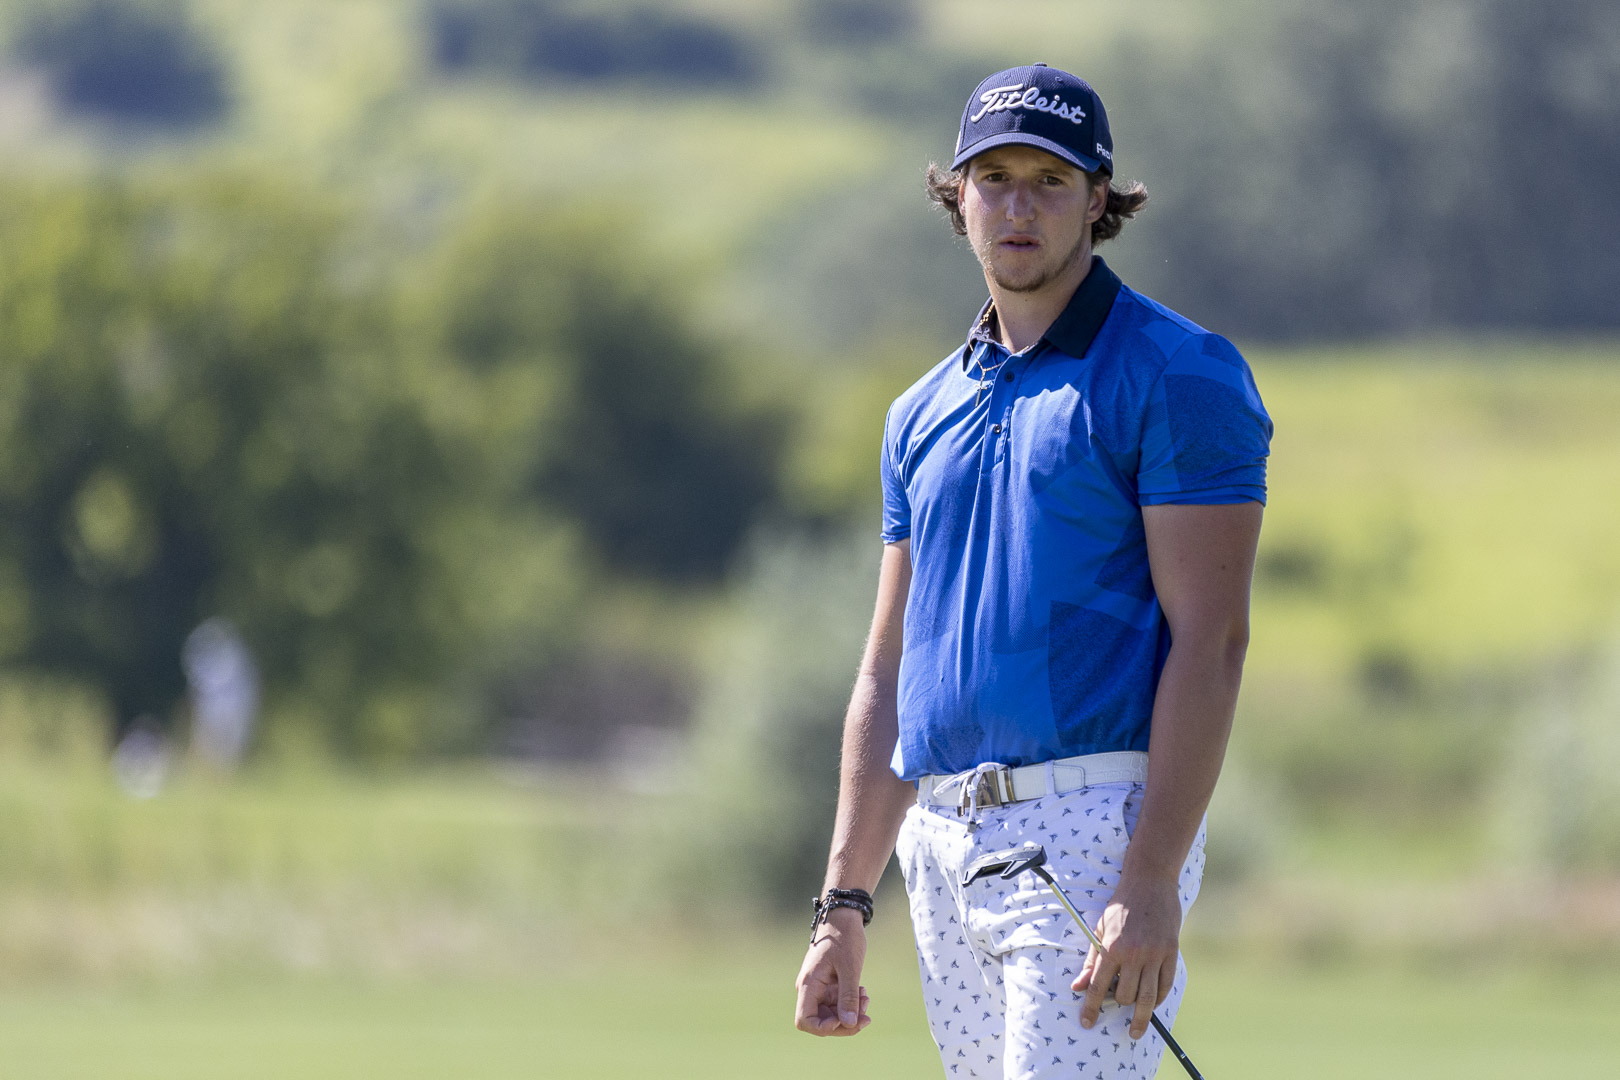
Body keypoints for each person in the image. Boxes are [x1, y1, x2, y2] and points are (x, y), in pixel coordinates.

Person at [793, 63, 1272, 1079]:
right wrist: (842, 903)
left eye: (1050, 181)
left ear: (1098, 200)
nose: (1018, 208)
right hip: (940, 846)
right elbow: (890, 667)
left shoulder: (1177, 372)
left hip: (1092, 834)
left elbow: (1213, 641)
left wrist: (1150, 878)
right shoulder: (919, 411)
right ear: (957, 196)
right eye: (995, 179)